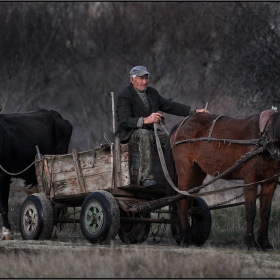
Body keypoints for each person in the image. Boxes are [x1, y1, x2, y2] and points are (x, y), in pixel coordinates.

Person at [116, 66, 210, 188]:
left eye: (146, 78)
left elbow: (171, 106)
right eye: (141, 78)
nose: (145, 82)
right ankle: (146, 178)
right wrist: (146, 120)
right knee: (145, 134)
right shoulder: (124, 96)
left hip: (150, 131)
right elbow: (124, 121)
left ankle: (175, 176)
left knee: (170, 138)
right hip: (129, 134)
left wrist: (195, 111)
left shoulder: (152, 93)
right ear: (132, 79)